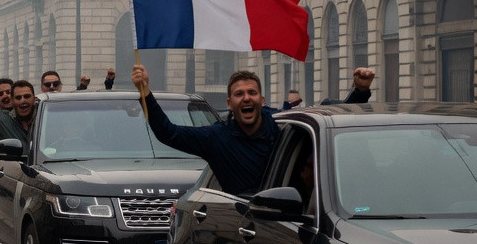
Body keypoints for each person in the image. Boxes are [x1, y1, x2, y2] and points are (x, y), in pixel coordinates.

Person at [130, 64, 374, 196]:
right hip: (245, 228)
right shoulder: (216, 137)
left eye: (252, 93)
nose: (246, 98)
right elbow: (167, 132)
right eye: (239, 94)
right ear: (229, 104)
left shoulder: (283, 125)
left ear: (262, 99)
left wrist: (360, 92)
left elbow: (329, 116)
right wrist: (145, 92)